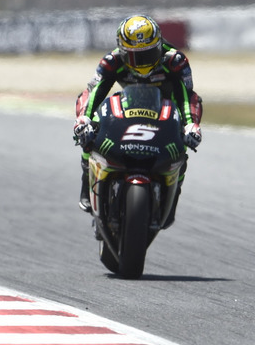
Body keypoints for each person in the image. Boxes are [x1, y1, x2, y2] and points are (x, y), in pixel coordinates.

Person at [73, 14, 203, 226]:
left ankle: (173, 197)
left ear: (159, 45)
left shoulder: (176, 61)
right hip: (130, 104)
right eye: (135, 56)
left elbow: (187, 96)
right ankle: (86, 184)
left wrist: (191, 125)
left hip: (166, 109)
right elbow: (93, 92)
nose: (143, 62)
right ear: (122, 50)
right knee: (89, 133)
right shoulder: (111, 61)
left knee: (181, 147)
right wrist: (83, 121)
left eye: (149, 53)